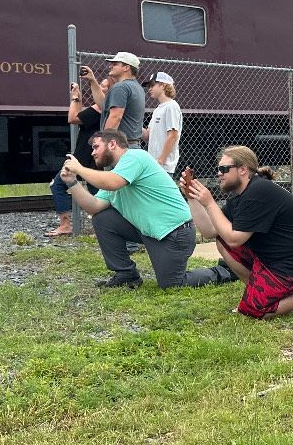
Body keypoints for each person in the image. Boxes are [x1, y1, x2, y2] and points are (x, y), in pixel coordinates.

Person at [180, 146, 293, 319]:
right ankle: (259, 292)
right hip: (277, 260)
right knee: (222, 239)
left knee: (254, 311)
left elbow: (235, 239)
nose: (219, 173)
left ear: (242, 170)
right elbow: (211, 231)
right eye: (218, 169)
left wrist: (210, 203)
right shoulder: (240, 196)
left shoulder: (259, 191)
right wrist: (192, 198)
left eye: (224, 169)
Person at [59, 130, 221, 289]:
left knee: (173, 284)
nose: (93, 152)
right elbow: (94, 207)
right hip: (149, 231)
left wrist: (79, 169)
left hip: (174, 233)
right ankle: (126, 275)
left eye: (96, 147)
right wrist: (72, 183)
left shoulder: (135, 157)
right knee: (102, 218)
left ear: (113, 144)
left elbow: (112, 182)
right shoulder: (117, 173)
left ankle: (223, 271)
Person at [45, 76, 109, 238]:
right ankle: (103, 227)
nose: (101, 90)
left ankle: (66, 225)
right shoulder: (107, 109)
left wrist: (75, 98)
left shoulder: (100, 108)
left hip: (85, 154)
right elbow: (81, 116)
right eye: (100, 86)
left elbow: (73, 118)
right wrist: (78, 98)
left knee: (58, 185)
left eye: (104, 87)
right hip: (92, 154)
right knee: (99, 193)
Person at [83, 52, 145, 147]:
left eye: (115, 64)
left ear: (126, 68)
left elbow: (115, 117)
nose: (110, 66)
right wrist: (92, 80)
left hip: (121, 147)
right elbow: (103, 105)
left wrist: (104, 142)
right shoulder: (137, 87)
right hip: (132, 145)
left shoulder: (121, 87)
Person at [142, 71, 183, 176]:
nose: (149, 89)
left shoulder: (171, 106)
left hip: (163, 166)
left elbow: (173, 135)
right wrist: (132, 122)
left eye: (152, 85)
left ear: (163, 85)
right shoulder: (158, 109)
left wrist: (160, 161)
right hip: (155, 165)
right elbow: (147, 136)